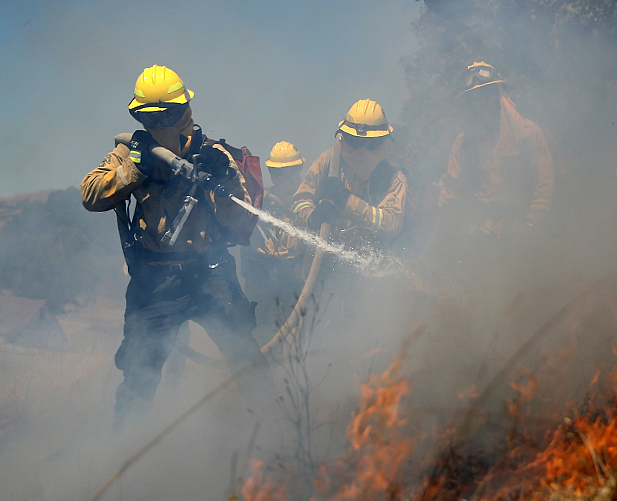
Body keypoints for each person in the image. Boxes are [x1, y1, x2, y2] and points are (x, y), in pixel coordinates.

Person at [81, 65, 268, 430]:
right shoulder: (130, 152)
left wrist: (224, 178)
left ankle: (277, 439)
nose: (158, 125)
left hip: (209, 274)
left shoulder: (213, 154)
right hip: (154, 282)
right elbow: (90, 194)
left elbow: (238, 217)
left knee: (246, 358)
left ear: (185, 112)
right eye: (146, 116)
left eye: (167, 114)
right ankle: (123, 463)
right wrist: (136, 168)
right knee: (139, 376)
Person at [437, 62, 555, 239]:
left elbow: (545, 187)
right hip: (479, 231)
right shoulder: (463, 143)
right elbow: (450, 190)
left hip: (521, 230)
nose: (482, 101)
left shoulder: (527, 133)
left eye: (487, 93)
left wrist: (529, 225)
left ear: (499, 94)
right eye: (475, 97)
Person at [291, 99, 408, 251]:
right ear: (343, 138)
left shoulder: (394, 179)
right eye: (355, 142)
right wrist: (312, 217)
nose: (362, 152)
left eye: (370, 144)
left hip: (368, 263)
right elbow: (299, 200)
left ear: (382, 143)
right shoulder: (328, 162)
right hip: (324, 255)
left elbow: (390, 224)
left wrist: (346, 200)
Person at [242, 141, 306, 342]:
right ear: (273, 175)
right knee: (263, 329)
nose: (292, 178)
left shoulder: (306, 202)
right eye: (281, 173)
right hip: (262, 274)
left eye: (295, 171)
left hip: (294, 275)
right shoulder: (260, 202)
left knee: (298, 329)